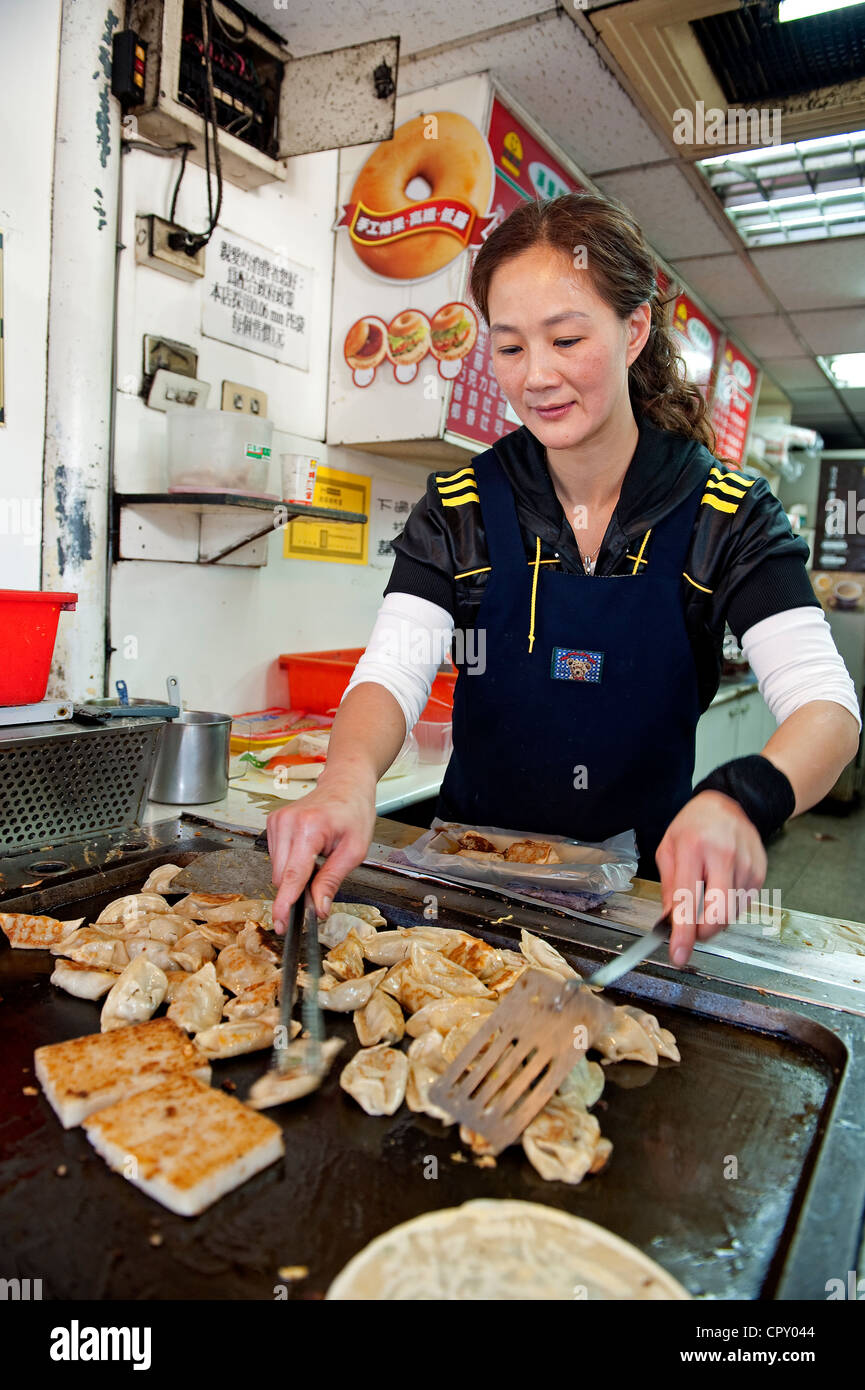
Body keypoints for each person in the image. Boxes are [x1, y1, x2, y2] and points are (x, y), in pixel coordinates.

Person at [267, 192, 860, 966]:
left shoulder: (726, 513)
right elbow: (391, 671)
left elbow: (827, 705)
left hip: (638, 909)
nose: (536, 377)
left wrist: (738, 797)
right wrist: (346, 778)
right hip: (467, 889)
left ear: (633, 329)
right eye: (509, 348)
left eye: (566, 338)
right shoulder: (460, 508)